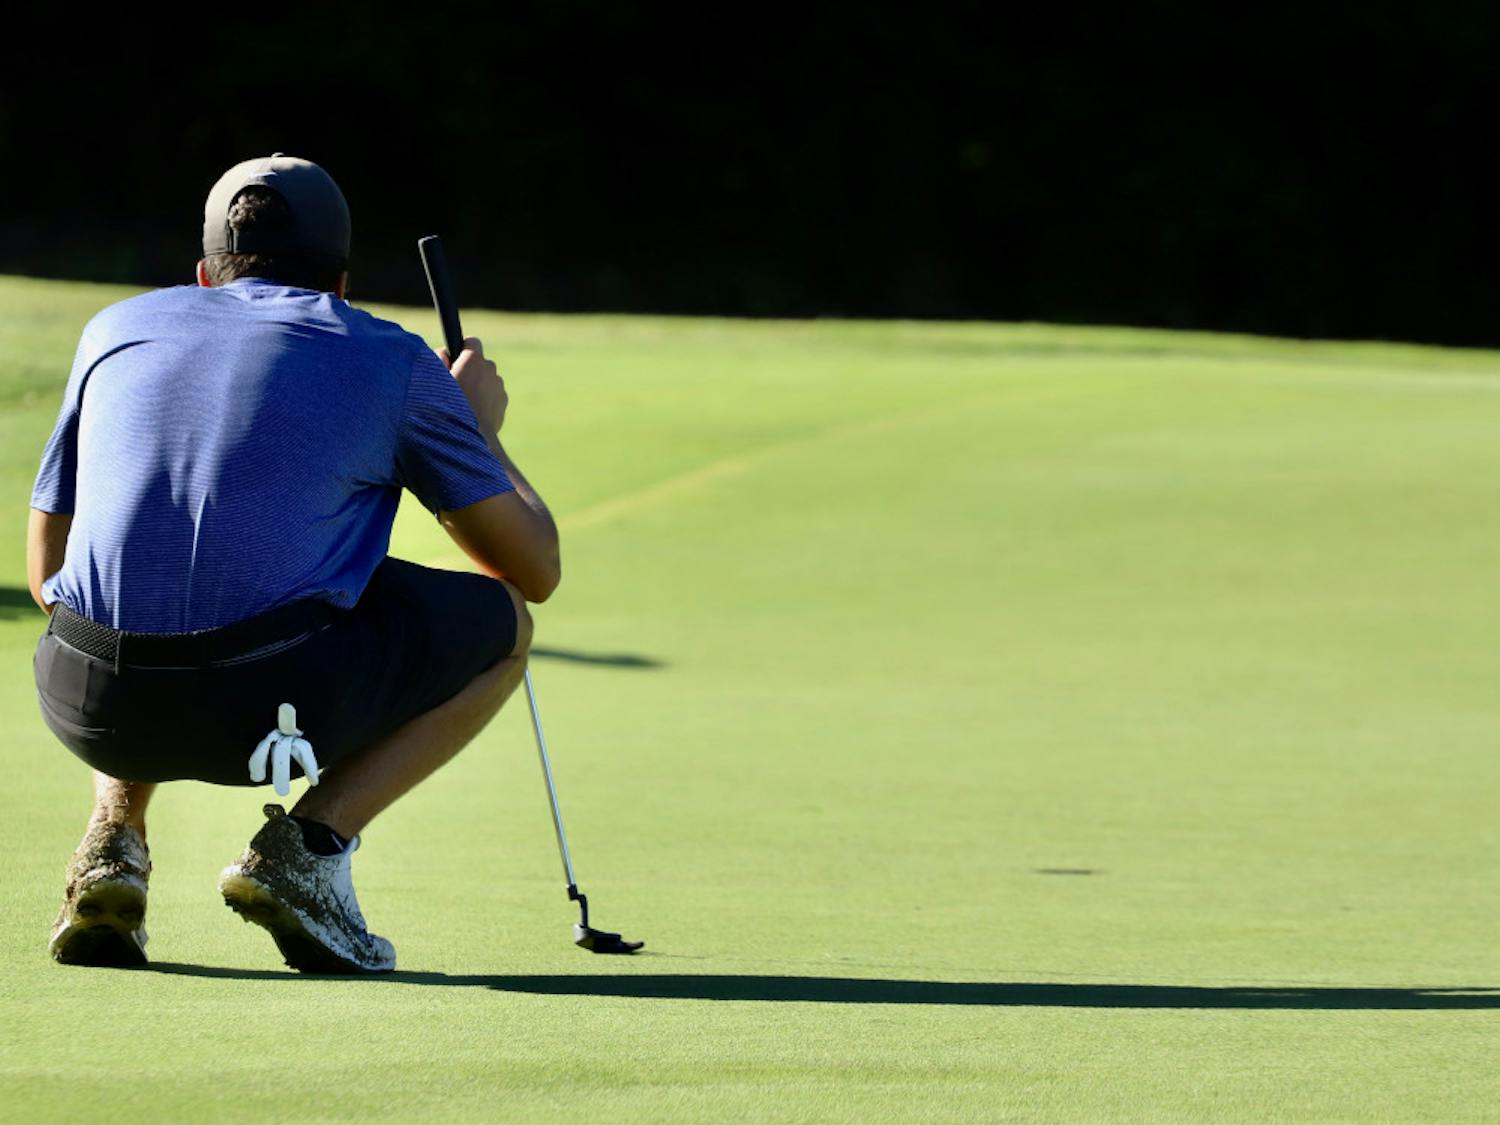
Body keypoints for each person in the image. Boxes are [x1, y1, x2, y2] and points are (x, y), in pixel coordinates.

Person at [27, 154, 559, 973]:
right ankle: (309, 850)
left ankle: (113, 840)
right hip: (269, 704)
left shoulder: (114, 330)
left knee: (131, 586)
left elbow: (47, 575)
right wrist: (479, 429)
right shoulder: (391, 357)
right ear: (340, 284)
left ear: (205, 275)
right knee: (507, 627)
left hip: (83, 697)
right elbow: (534, 568)